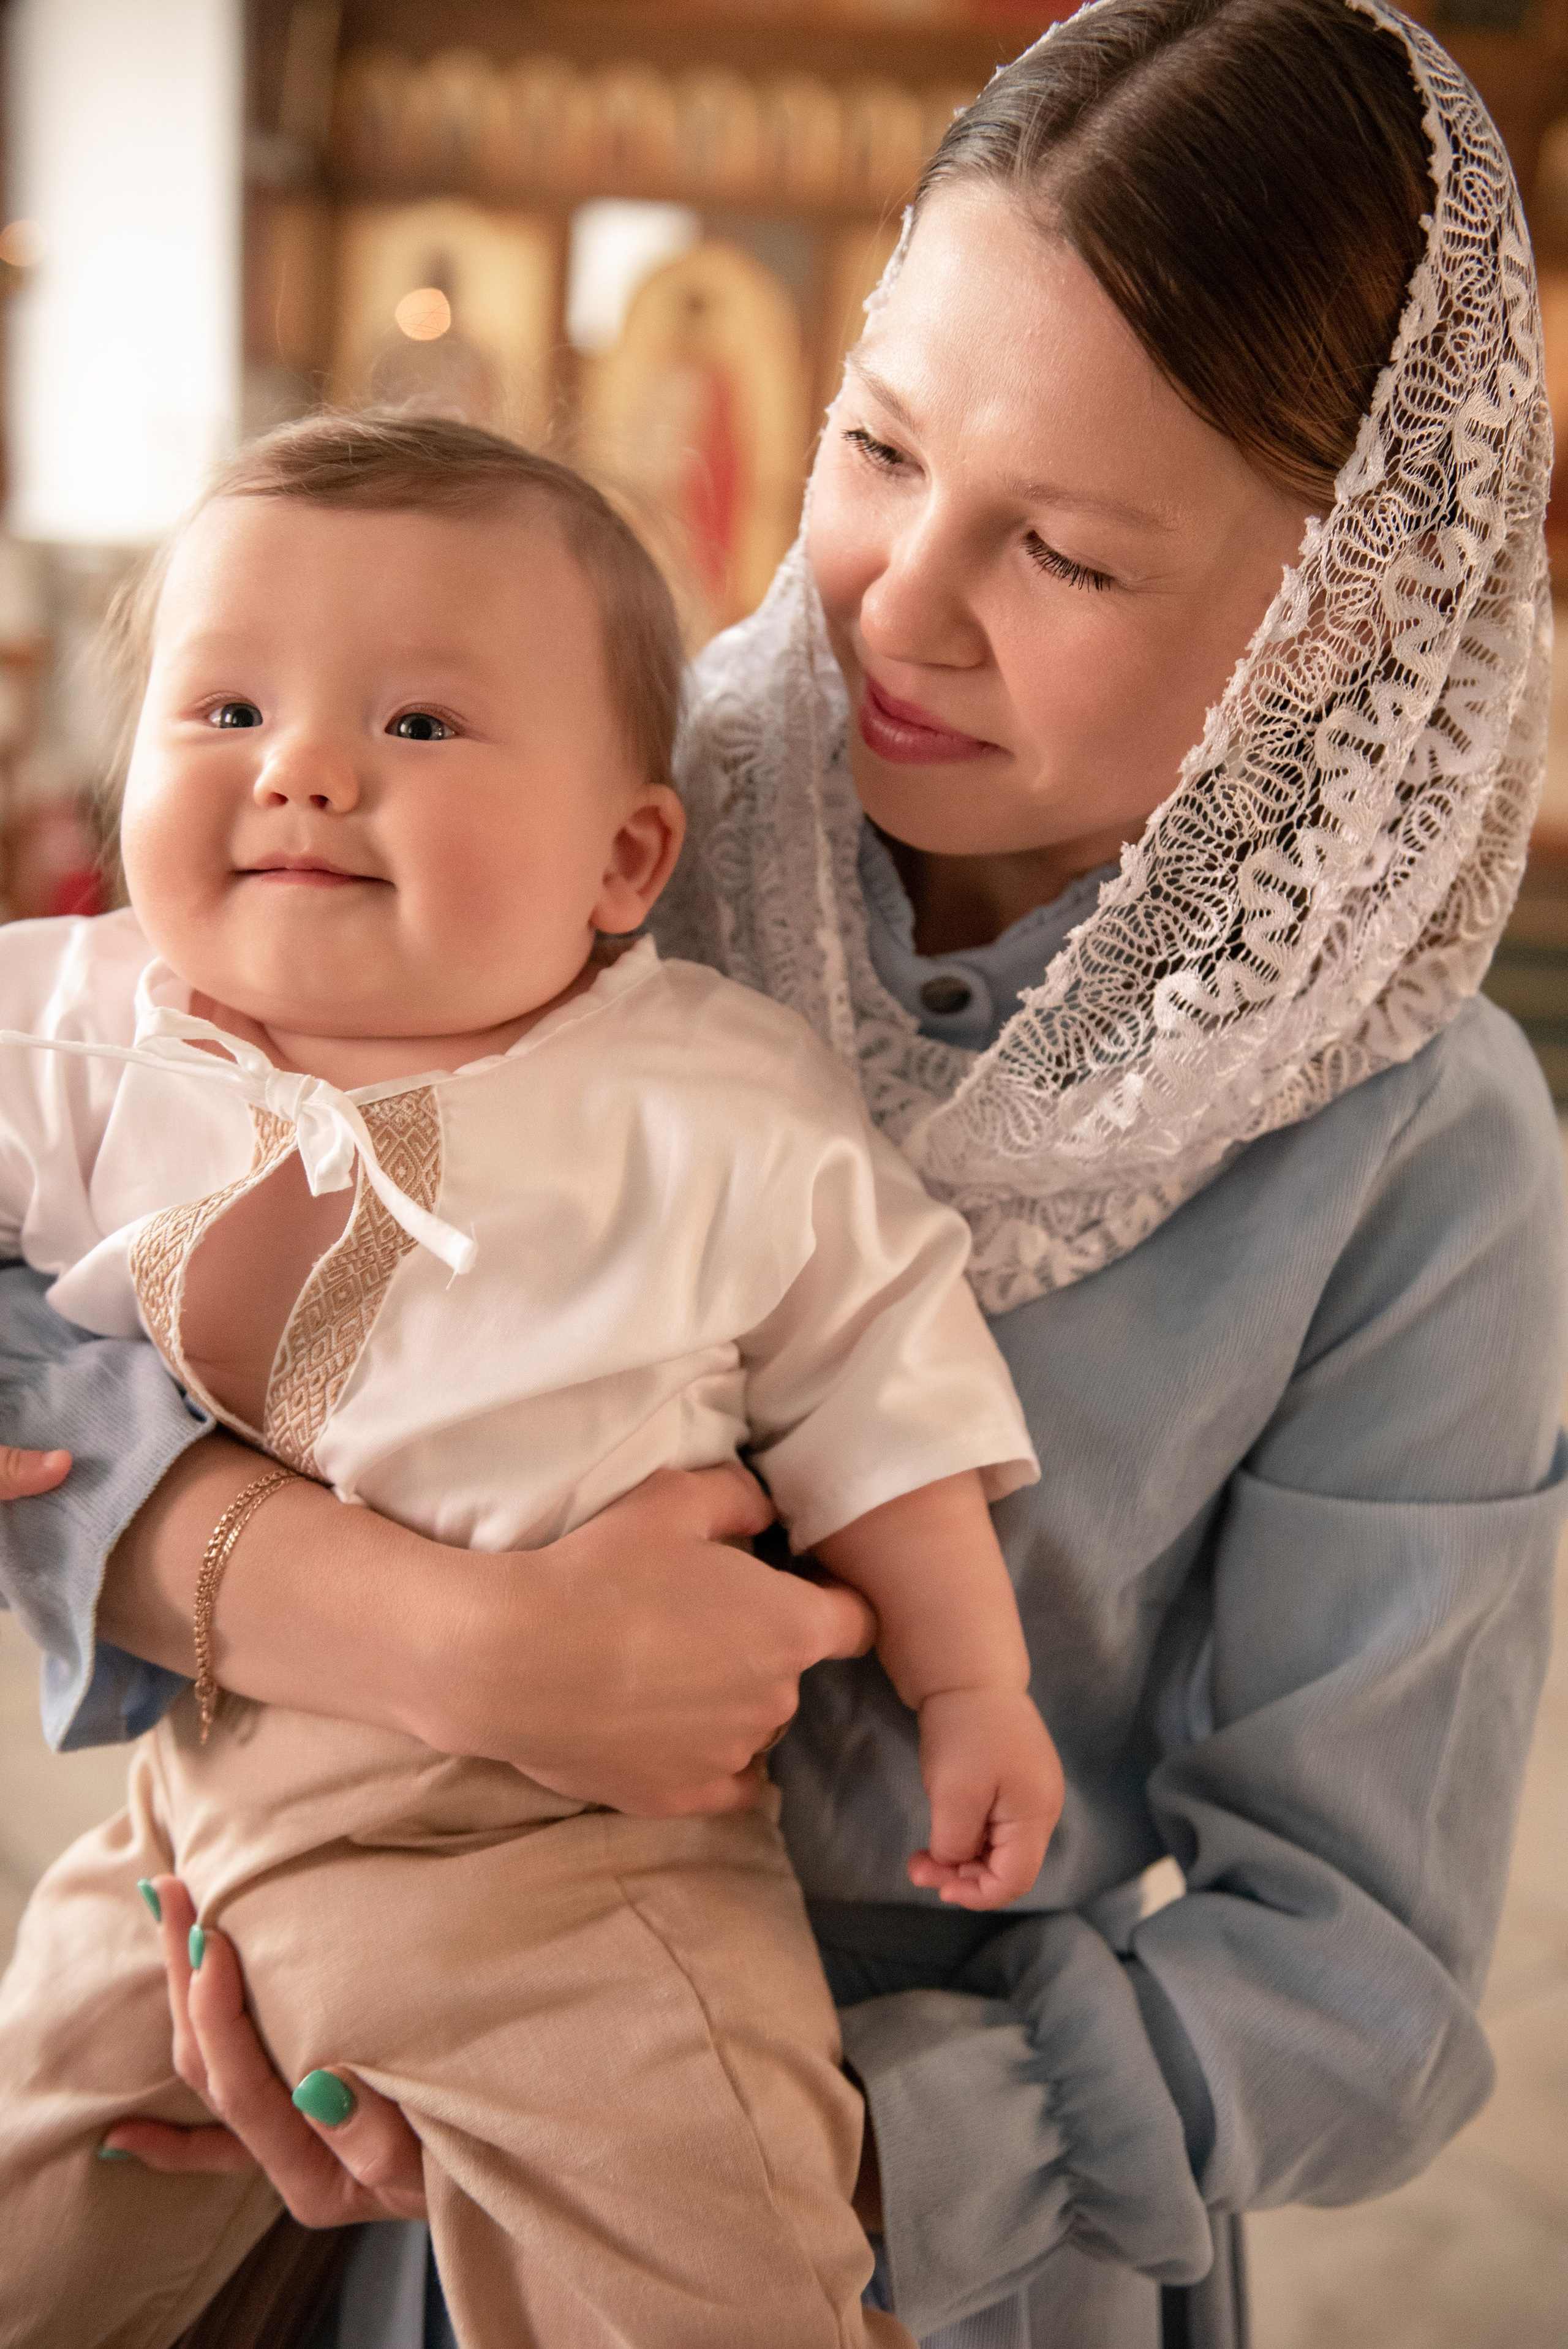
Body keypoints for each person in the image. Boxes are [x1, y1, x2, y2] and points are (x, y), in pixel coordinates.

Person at [1, 2, 1562, 2344]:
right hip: (277, 2034)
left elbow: (1354, 1981)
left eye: (1065, 550)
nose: (894, 607)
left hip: (886, 2250)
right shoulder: (550, 830)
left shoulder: (1415, 1163)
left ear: (1332, 626)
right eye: (877, 447)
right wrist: (425, 1639)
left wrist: (731, 2139)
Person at [0, 413, 1066, 2349]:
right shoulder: (82, 1031)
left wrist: (974, 1676)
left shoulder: (705, 1097)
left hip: (583, 1872)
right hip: (196, 1819)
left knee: (713, 2247)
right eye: (224, 706)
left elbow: (881, 1383)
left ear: (623, 854)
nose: (303, 767)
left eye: (418, 727)